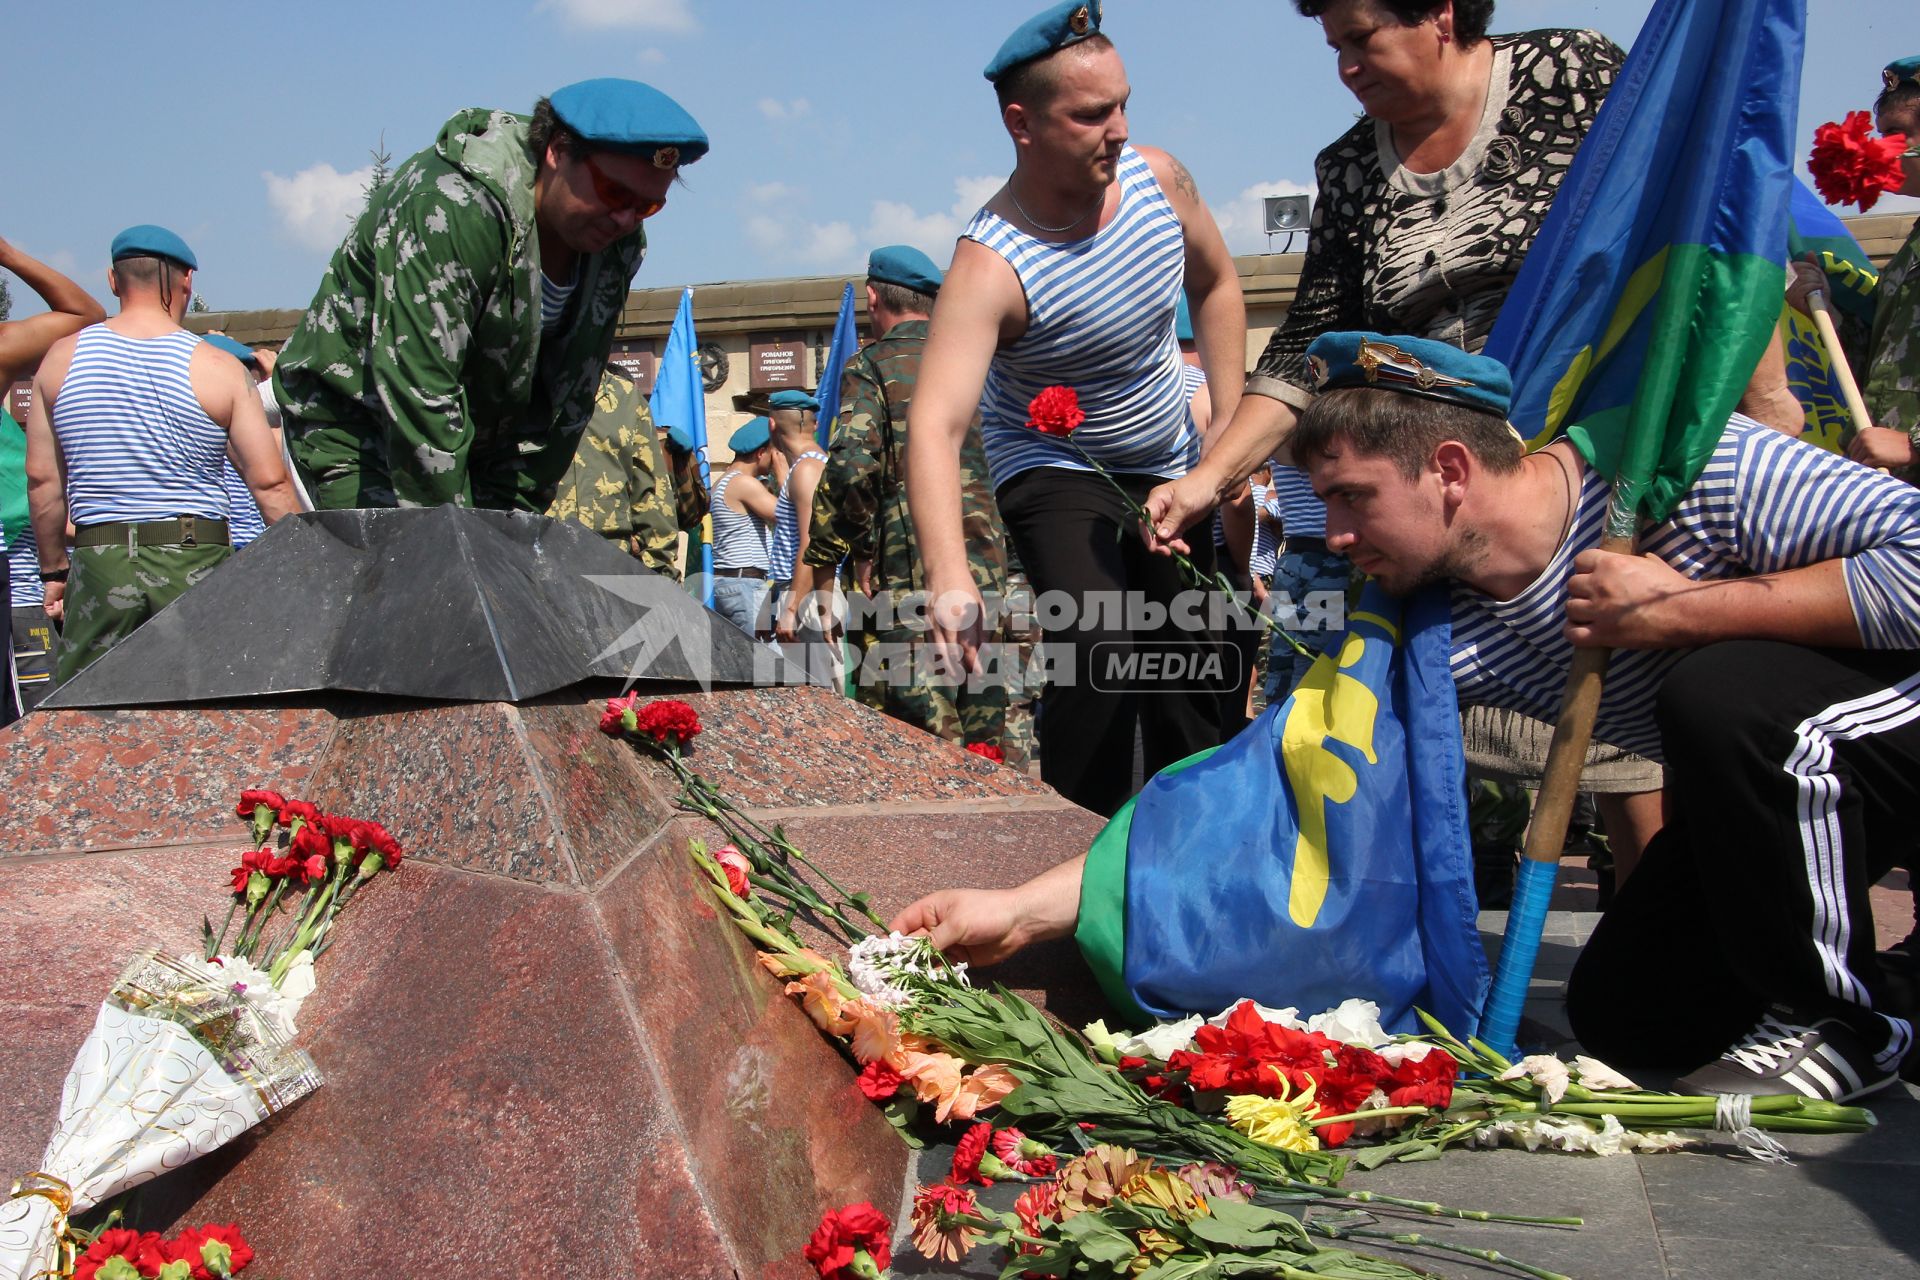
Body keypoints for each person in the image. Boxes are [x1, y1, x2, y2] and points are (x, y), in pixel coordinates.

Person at [897, 330, 1920, 1103]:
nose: (1333, 536)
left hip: (1888, 723)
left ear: (1450, 470)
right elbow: (1268, 780)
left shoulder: (1695, 471)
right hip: (1786, 796)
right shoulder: (1428, 616)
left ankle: (1846, 1020)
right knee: (1625, 1013)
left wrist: (1692, 608)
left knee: (1722, 688)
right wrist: (1026, 909)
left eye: (1349, 498)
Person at [1140, 0, 1667, 875]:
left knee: (1612, 734)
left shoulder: (1570, 75)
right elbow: (1309, 352)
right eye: (1334, 46)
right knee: (1419, 721)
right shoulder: (1351, 167)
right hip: (1430, 491)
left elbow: (1686, 223)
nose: (1346, 64)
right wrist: (1209, 479)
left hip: (1575, 465)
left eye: (1361, 38)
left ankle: (1661, 927)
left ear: (1441, 13)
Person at [906, 0, 1248, 816]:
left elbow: (1219, 285)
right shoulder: (992, 261)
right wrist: (951, 578)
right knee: (1100, 646)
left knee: (1202, 656)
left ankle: (1193, 853)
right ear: (1022, 124)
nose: (1120, 128)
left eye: (1125, 103)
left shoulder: (1162, 182)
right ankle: (1078, 856)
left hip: (1170, 454)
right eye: (1093, 113)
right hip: (1057, 464)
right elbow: (936, 422)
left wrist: (1229, 434)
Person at [272, 79, 708, 512]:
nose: (626, 218)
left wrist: (516, 520)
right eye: (615, 193)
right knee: (410, 568)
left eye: (649, 206)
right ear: (556, 151)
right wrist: (458, 547)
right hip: (358, 428)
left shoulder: (618, 245)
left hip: (485, 441)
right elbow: (421, 391)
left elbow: (569, 398)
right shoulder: (451, 206)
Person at [24, 227, 299, 684]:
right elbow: (269, 484)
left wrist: (54, 567)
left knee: (87, 708)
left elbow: (42, 481)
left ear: (113, 281)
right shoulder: (219, 368)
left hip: (100, 559)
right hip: (194, 558)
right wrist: (302, 565)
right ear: (187, 281)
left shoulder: (61, 359)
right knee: (206, 703)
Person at [797, 244, 1010, 750]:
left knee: (920, 746)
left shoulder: (872, 364)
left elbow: (852, 470)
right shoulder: (977, 362)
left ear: (874, 298)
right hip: (990, 572)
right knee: (987, 743)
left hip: (912, 577)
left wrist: (828, 562)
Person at [1787, 55, 1920, 480]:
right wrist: (1826, 310)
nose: (1882, 151)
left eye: (1898, 135)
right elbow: (1888, 361)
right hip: (1891, 485)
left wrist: (1913, 443)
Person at [0, 237, 104, 720]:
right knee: (27, 729)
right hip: (17, 580)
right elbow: (84, 315)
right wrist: (9, 255)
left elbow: (85, 317)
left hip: (16, 567)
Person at [547, 362, 681, 578]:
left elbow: (651, 493)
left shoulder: (626, 398)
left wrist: (662, 575)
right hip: (538, 562)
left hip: (608, 564)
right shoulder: (520, 394)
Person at [768, 389, 835, 681]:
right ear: (815, 424)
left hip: (807, 598)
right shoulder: (809, 465)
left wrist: (792, 607)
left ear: (772, 424)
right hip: (808, 594)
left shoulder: (808, 469)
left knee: (821, 708)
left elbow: (811, 542)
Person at [709, 417, 778, 636]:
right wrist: (785, 472)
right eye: (775, 452)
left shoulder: (725, 480)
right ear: (761, 453)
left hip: (734, 583)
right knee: (766, 662)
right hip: (744, 584)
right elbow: (789, 515)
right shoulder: (743, 483)